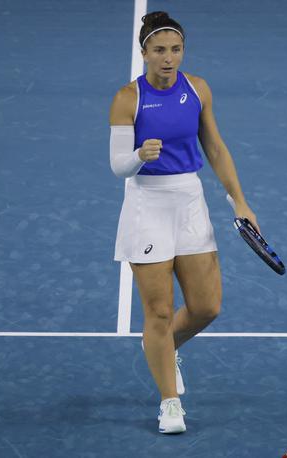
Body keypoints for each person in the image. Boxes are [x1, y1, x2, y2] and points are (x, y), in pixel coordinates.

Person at [108, 11, 258, 434]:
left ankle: (164, 347)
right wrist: (139, 156)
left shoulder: (197, 89)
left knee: (207, 305)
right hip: (147, 205)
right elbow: (117, 165)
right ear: (144, 54)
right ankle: (169, 402)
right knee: (157, 312)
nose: (168, 58)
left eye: (175, 49)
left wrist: (239, 201)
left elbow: (214, 146)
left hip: (189, 201)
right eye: (159, 50)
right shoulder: (127, 98)